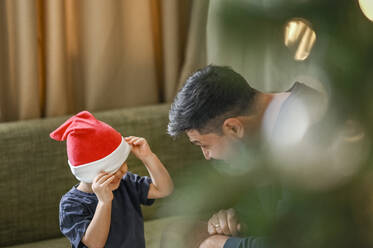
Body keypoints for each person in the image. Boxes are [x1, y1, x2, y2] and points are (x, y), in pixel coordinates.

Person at [167, 65, 325, 248]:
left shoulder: (306, 135)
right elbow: (278, 210)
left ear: (233, 128)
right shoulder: (270, 125)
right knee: (185, 234)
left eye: (204, 145)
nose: (207, 156)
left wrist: (219, 245)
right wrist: (239, 218)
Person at [50, 111, 173, 248]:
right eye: (113, 168)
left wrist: (148, 157)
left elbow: (164, 190)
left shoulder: (126, 182)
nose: (124, 170)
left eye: (123, 163)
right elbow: (94, 244)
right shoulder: (70, 204)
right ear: (89, 173)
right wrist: (104, 202)